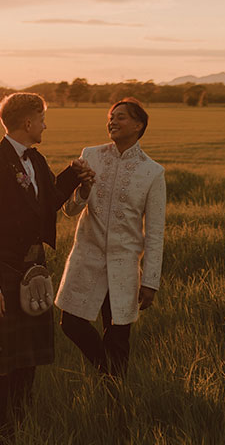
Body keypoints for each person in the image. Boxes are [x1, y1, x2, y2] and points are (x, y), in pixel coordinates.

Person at [0, 92, 92, 436]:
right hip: (3, 276)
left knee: (27, 360)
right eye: (42, 119)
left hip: (33, 272)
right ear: (27, 122)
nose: (45, 125)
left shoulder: (35, 160)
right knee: (0, 361)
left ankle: (21, 424)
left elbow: (47, 201)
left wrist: (73, 175)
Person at [55, 98, 165, 379]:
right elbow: (69, 210)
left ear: (139, 125)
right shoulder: (90, 155)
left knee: (117, 337)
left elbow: (154, 231)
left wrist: (150, 281)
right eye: (111, 116)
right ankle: (110, 374)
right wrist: (83, 189)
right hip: (86, 259)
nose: (112, 121)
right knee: (71, 323)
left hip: (123, 266)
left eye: (122, 117)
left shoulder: (152, 172)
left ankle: (116, 399)